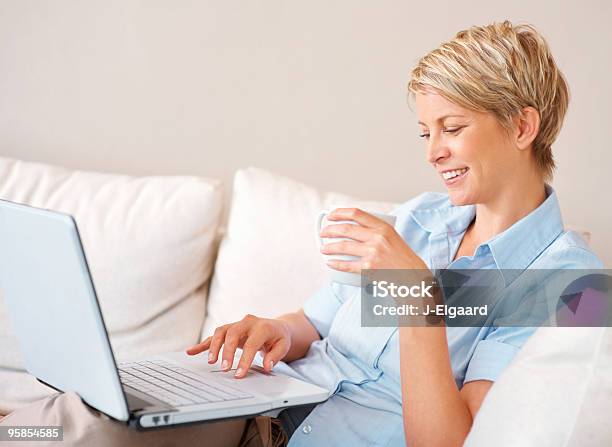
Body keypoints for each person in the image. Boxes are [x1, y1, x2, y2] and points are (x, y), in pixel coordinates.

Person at [0, 20, 603, 447]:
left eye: (452, 127)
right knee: (67, 420)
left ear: (522, 126)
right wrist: (272, 330)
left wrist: (417, 295)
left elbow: (447, 443)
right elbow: (315, 322)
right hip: (258, 414)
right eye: (425, 133)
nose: (434, 152)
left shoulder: (568, 283)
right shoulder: (426, 218)